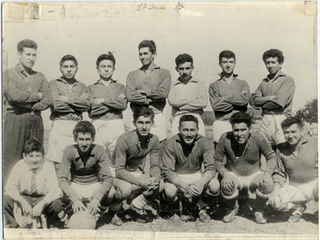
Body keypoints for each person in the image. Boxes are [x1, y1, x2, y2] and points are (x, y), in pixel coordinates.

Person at [214, 112, 277, 224]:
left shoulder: (258, 137)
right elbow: (217, 160)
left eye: (243, 130)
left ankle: (258, 209)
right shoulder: (225, 138)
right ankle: (232, 208)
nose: (239, 134)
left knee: (267, 185)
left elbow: (271, 156)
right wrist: (225, 174)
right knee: (227, 186)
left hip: (253, 175)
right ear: (232, 129)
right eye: (236, 130)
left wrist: (267, 174)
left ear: (250, 129)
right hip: (234, 174)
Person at [3, 39, 51, 183]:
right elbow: (15, 96)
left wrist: (32, 106)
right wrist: (37, 96)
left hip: (35, 121)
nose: (31, 59)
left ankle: (31, 195)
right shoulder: (9, 73)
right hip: (16, 121)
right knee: (12, 159)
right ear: (19, 54)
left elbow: (49, 99)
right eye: (28, 54)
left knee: (35, 158)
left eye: (34, 55)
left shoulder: (40, 76)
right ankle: (7, 197)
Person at [110, 107, 163, 224]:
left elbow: (154, 165)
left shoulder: (154, 139)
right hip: (115, 172)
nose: (144, 127)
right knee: (126, 189)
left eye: (147, 122)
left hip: (132, 171)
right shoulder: (124, 139)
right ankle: (113, 211)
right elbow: (119, 170)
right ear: (134, 123)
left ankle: (135, 206)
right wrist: (140, 182)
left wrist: (156, 177)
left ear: (152, 123)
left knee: (159, 184)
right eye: (140, 122)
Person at [161, 114, 219, 223]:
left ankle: (200, 206)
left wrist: (201, 182)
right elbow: (168, 171)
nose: (188, 134)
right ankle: (175, 210)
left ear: (197, 130)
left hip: (197, 175)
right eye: (185, 130)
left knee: (215, 185)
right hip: (178, 176)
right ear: (179, 130)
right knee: (169, 190)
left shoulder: (205, 142)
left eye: (192, 130)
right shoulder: (171, 143)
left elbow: (211, 167)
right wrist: (185, 186)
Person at [57, 121, 115, 227]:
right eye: (81, 139)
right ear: (75, 139)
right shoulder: (69, 150)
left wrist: (97, 198)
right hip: (75, 184)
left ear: (93, 139)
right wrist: (74, 198)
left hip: (93, 185)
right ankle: (70, 213)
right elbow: (62, 179)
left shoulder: (99, 150)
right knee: (59, 191)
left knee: (111, 191)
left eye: (88, 139)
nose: (84, 143)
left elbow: (108, 178)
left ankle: (98, 214)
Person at [268, 117, 318, 223]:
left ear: (302, 130)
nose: (290, 136)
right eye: (286, 132)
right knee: (275, 202)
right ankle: (298, 208)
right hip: (296, 187)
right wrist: (276, 189)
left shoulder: (315, 143)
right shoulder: (280, 149)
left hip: (315, 185)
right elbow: (279, 173)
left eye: (293, 132)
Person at [4, 139, 63, 228]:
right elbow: (10, 187)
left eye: (38, 156)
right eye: (31, 156)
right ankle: (14, 224)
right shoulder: (19, 165)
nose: (34, 160)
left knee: (57, 204)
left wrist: (42, 203)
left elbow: (54, 190)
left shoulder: (48, 166)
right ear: (24, 156)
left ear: (43, 156)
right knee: (5, 199)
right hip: (24, 197)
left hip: (42, 198)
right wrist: (22, 201)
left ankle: (48, 222)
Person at [47, 55, 91, 165]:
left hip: (76, 125)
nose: (69, 69)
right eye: (65, 66)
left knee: (76, 162)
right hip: (59, 124)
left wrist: (66, 99)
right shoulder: (54, 83)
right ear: (60, 69)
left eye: (72, 66)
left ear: (77, 68)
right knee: (58, 163)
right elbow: (56, 105)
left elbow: (86, 106)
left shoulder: (82, 86)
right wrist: (78, 102)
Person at [126, 40, 171, 142]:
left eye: (145, 53)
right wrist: (149, 100)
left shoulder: (164, 73)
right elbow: (130, 95)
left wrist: (144, 92)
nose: (142, 57)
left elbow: (163, 93)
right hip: (137, 116)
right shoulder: (132, 74)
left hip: (157, 115)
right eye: (140, 54)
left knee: (158, 148)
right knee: (136, 150)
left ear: (154, 54)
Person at [250, 49, 295, 149]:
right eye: (267, 63)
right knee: (267, 152)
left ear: (281, 63)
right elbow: (253, 100)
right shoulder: (263, 82)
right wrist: (270, 98)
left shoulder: (287, 80)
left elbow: (278, 103)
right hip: (265, 119)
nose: (270, 66)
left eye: (273, 62)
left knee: (283, 152)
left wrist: (261, 101)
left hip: (280, 118)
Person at [88, 52, 127, 159]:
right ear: (97, 69)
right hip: (98, 124)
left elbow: (123, 105)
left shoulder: (120, 87)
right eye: (103, 66)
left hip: (116, 125)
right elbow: (92, 111)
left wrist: (102, 100)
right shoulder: (91, 88)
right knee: (98, 160)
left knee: (116, 160)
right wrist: (114, 102)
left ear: (113, 69)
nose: (106, 69)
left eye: (109, 66)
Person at [209, 50, 250, 145]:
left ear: (235, 64)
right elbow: (216, 106)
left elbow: (245, 101)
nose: (228, 65)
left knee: (240, 156)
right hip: (221, 123)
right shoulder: (214, 85)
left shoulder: (242, 84)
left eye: (231, 62)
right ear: (220, 64)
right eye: (225, 62)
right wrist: (237, 105)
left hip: (239, 124)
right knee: (220, 156)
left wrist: (225, 99)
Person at [168, 54, 207, 137]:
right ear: (176, 69)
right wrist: (193, 99)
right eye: (181, 69)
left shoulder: (199, 84)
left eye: (187, 68)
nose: (185, 72)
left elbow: (203, 103)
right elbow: (172, 102)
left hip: (196, 117)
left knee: (199, 145)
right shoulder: (172, 85)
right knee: (176, 146)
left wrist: (182, 107)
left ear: (192, 68)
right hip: (178, 118)